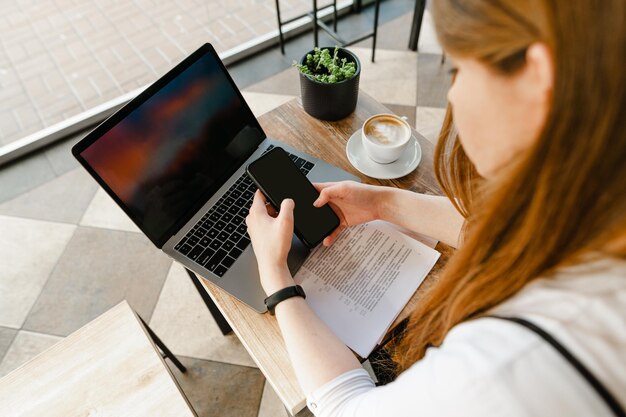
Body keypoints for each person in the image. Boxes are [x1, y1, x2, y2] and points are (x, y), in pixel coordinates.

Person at [245, 0, 626, 415]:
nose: (452, 93)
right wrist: (382, 201)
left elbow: (344, 407)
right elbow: (516, 230)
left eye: (459, 69)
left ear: (538, 79)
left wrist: (275, 276)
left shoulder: (508, 369)